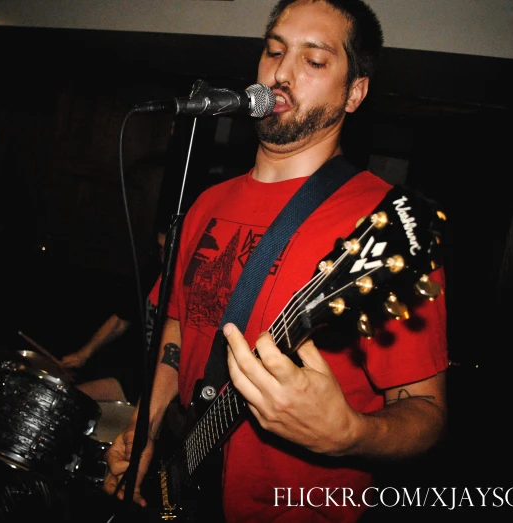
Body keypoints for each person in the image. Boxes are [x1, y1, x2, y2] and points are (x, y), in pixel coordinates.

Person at [102, 1, 448, 522]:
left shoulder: (379, 228)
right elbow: (179, 326)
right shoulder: (206, 204)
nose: (282, 72)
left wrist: (350, 435)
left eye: (314, 61)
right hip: (187, 482)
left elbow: (427, 413)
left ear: (354, 93)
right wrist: (148, 426)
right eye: (274, 51)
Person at [59, 227, 167, 404]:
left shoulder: (193, 286)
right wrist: (83, 355)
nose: (164, 255)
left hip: (166, 388)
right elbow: (121, 319)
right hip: (137, 378)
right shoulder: (153, 274)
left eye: (169, 248)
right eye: (161, 248)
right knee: (69, 399)